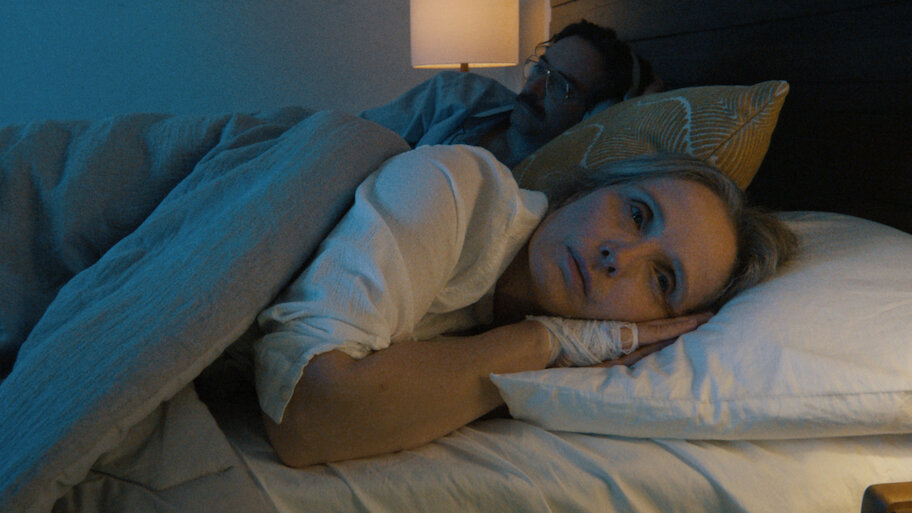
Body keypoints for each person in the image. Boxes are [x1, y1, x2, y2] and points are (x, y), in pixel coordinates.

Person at [250, 145, 797, 468]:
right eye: (636, 213)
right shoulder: (455, 185)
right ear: (583, 190)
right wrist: (541, 342)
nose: (619, 255)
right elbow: (305, 415)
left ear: (664, 326)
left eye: (661, 279)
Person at [361, 20, 660, 167]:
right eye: (541, 68)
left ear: (593, 114)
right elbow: (356, 137)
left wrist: (634, 121)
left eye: (560, 86)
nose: (534, 87)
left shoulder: (554, 195)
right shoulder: (460, 93)